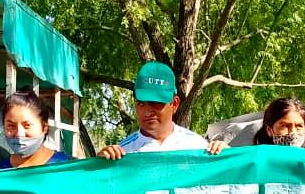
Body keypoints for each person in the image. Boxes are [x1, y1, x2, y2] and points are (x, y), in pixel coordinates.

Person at [97, 62, 227, 159]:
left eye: (156, 103)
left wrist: (232, 157)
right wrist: (97, 169)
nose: (147, 111)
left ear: (174, 104)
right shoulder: (121, 155)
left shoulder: (198, 147)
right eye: (141, 104)